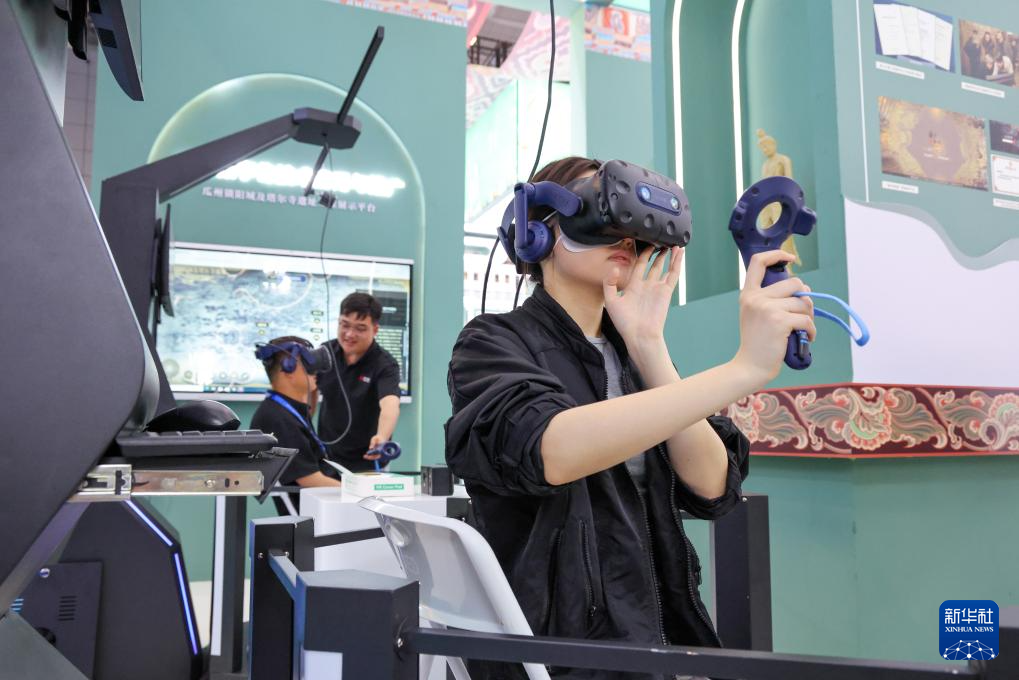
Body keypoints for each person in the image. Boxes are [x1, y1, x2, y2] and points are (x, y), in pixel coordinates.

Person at [445, 156, 816, 679]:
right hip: (560, 656)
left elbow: (712, 487)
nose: (623, 236)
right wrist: (745, 369)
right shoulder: (492, 341)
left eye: (633, 228)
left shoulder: (631, 355)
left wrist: (648, 345)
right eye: (598, 212)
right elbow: (552, 450)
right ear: (535, 232)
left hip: (655, 646)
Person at [250, 336, 340, 515]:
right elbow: (310, 481)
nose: (314, 369)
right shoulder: (277, 418)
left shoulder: (288, 410)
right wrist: (360, 494)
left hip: (325, 507)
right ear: (288, 369)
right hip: (315, 518)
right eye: (307, 362)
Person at [317, 292, 402, 472]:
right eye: (345, 325)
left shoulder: (385, 364)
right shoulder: (326, 353)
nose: (350, 334)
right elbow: (308, 393)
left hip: (368, 459)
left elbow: (390, 405)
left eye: (360, 328)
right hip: (328, 458)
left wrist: (382, 437)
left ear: (375, 329)